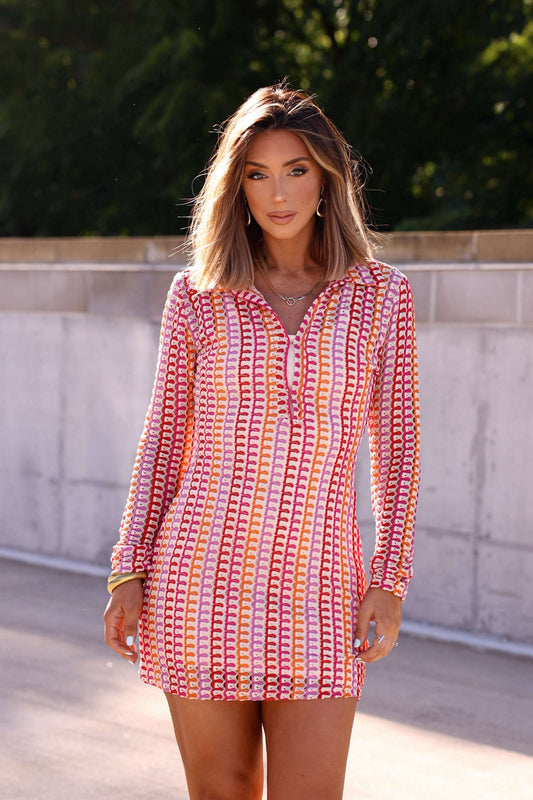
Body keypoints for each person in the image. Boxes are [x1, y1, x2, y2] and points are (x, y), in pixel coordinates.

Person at [104, 82, 420, 800]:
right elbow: (163, 442)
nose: (278, 193)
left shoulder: (381, 297)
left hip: (321, 588)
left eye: (296, 170)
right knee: (222, 792)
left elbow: (398, 450)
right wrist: (128, 570)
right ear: (237, 186)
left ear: (327, 177)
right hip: (198, 584)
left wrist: (389, 580)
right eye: (257, 173)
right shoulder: (197, 295)